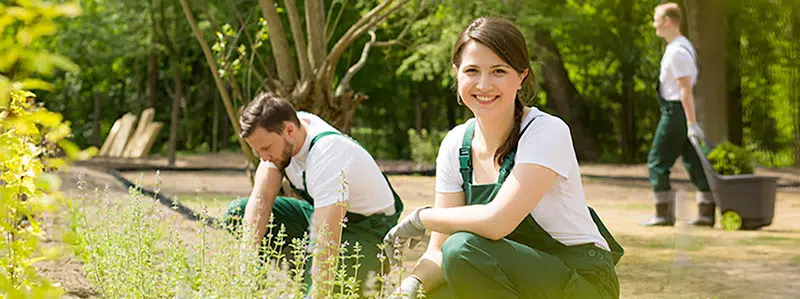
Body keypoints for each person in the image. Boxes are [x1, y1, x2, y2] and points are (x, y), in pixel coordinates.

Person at [382, 17, 624, 299]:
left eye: (499, 71)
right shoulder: (455, 144)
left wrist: (422, 218)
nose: (484, 85)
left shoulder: (545, 131)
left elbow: (497, 222)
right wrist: (409, 288)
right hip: (503, 276)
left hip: (581, 282)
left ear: (521, 76)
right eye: (472, 70)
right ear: (457, 73)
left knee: (463, 249)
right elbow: (439, 249)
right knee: (436, 291)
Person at [223, 92, 404, 296]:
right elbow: (261, 201)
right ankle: (287, 272)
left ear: (289, 130)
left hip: (370, 230)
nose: (264, 158)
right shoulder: (285, 131)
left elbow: (326, 237)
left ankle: (356, 273)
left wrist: (316, 291)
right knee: (238, 213)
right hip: (323, 212)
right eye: (258, 152)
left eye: (266, 148)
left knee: (333, 276)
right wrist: (245, 270)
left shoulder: (328, 154)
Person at [642, 2, 714, 227]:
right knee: (693, 162)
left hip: (675, 112)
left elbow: (685, 90)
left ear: (667, 21)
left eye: (656, 19)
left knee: (657, 162)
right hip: (678, 111)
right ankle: (706, 213)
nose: (654, 24)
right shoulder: (681, 46)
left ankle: (663, 214)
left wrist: (691, 123)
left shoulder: (677, 51)